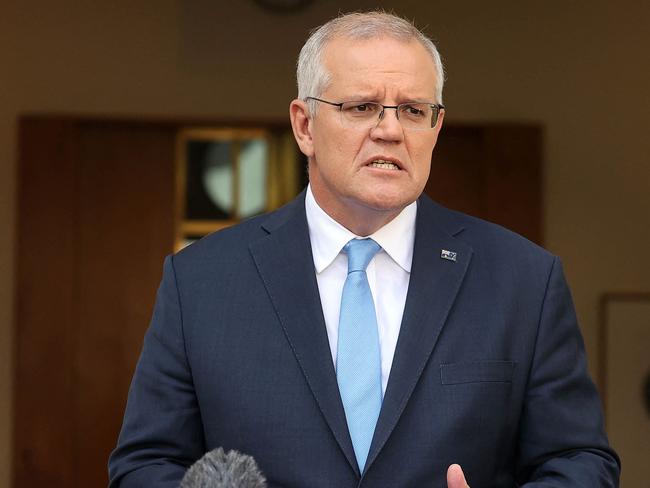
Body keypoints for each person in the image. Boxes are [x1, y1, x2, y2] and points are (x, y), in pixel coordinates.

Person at [108, 11, 620, 487]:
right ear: (304, 125)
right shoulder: (201, 280)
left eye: (414, 110)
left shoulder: (523, 279)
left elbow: (579, 460)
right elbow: (145, 466)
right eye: (363, 107)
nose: (391, 130)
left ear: (435, 128)